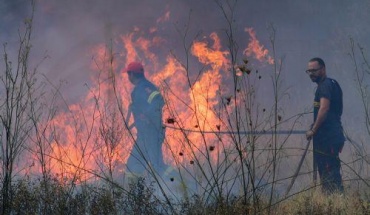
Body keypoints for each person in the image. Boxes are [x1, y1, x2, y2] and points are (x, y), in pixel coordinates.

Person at [305, 57, 345, 194]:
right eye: (309, 71)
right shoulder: (332, 84)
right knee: (330, 173)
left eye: (314, 70)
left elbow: (324, 109)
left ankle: (334, 205)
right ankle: (333, 204)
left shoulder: (325, 86)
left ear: (323, 69)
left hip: (328, 138)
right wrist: (314, 125)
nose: (311, 74)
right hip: (331, 136)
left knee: (329, 175)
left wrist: (313, 130)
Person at [123, 61, 166, 178]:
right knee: (142, 164)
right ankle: (138, 191)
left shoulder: (144, 88)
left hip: (150, 133)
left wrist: (146, 114)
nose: (128, 77)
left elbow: (159, 101)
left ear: (132, 74)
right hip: (146, 134)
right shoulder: (144, 87)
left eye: (128, 74)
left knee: (148, 165)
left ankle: (177, 183)